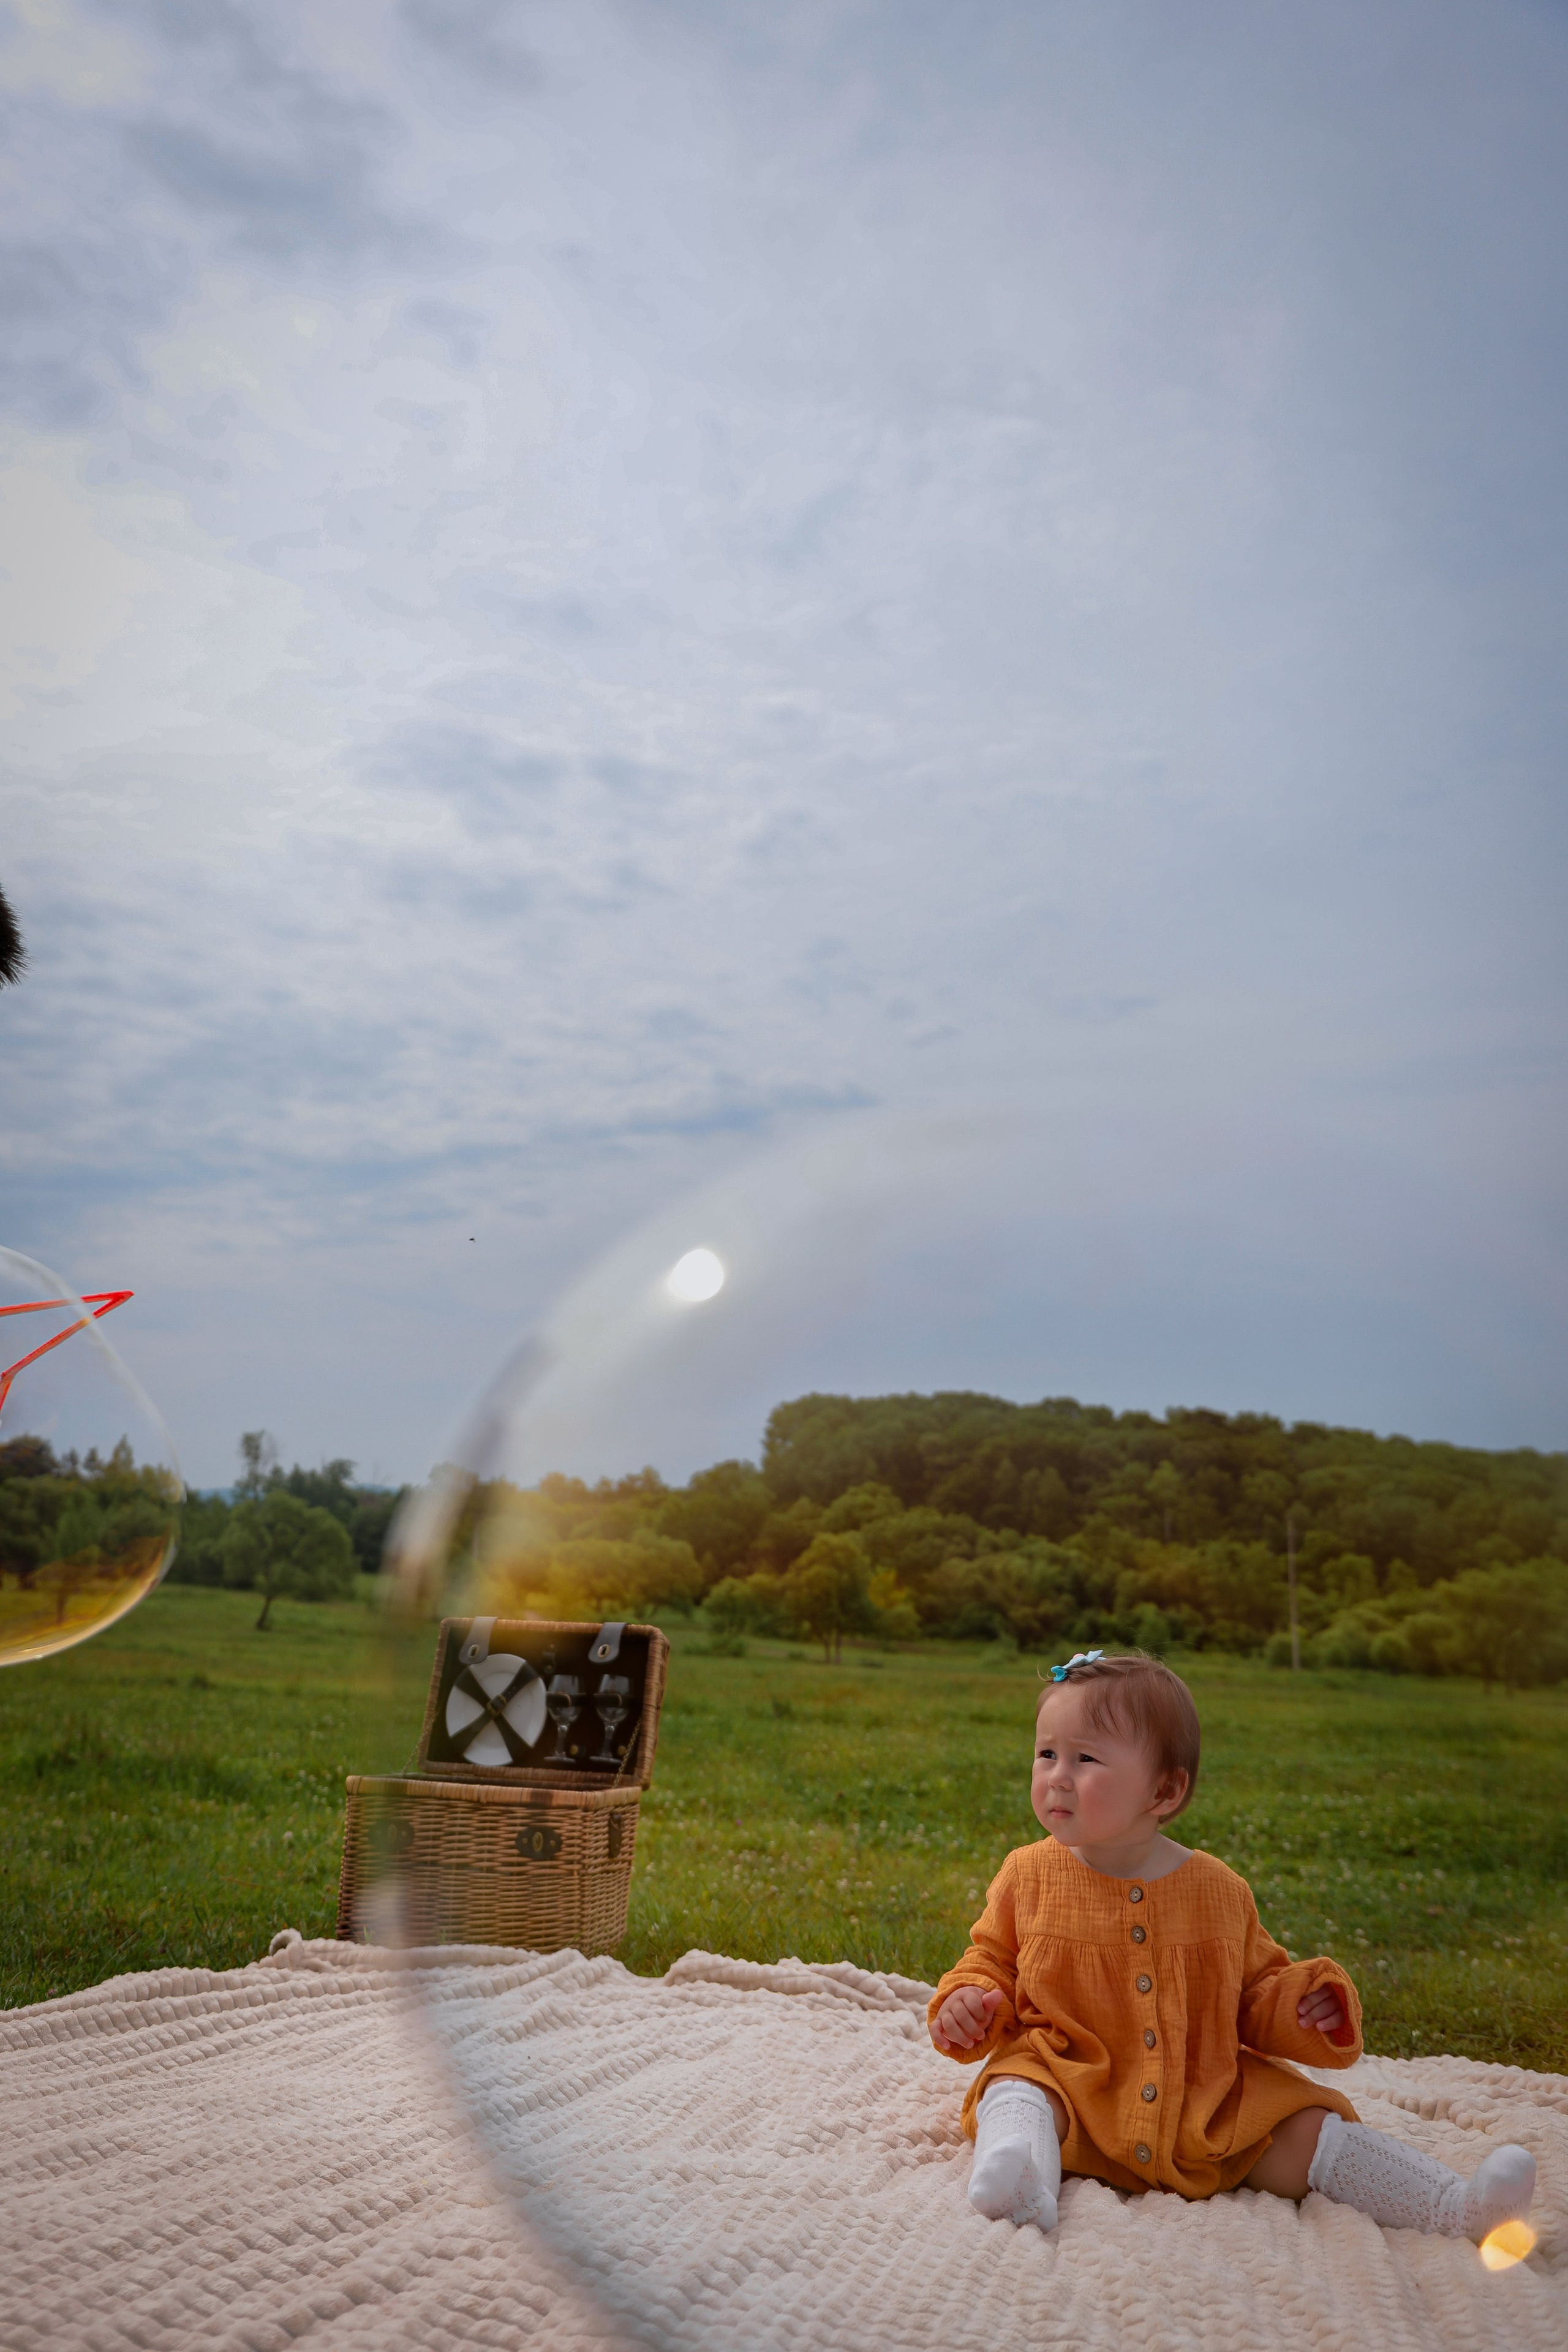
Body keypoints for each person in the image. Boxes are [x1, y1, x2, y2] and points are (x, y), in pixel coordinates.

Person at [928, 1649, 1537, 2242]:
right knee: (1016, 2087)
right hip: (1072, 2082)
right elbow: (991, 1960)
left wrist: (1302, 2005)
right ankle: (1020, 2176)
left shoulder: (1218, 1892)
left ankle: (1457, 2207)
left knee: (1308, 2128)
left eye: (1084, 1758)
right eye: (1045, 1754)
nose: (1056, 1776)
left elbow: (1256, 1992)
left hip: (1202, 2102)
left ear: (1163, 1792)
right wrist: (971, 1998)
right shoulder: (1026, 1875)